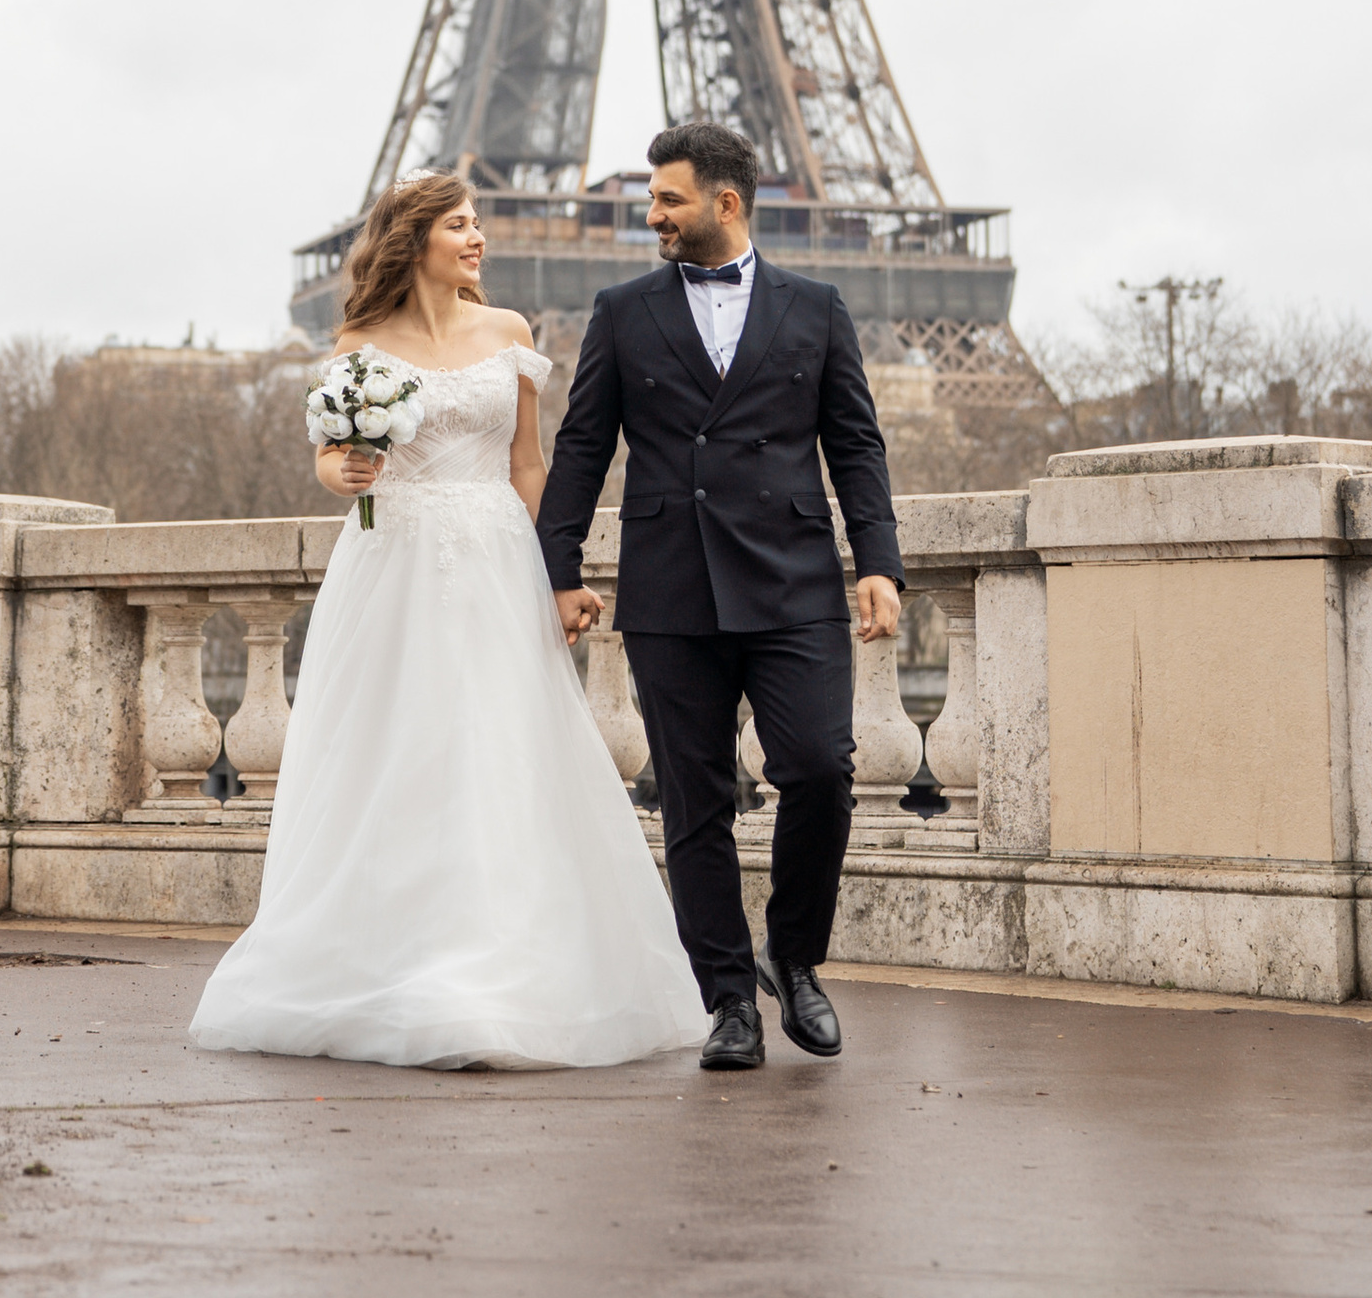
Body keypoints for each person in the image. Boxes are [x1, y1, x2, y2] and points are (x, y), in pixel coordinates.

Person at [188, 170, 705, 1071]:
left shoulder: (509, 333)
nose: (478, 240)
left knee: (501, 752)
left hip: (498, 561)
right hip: (393, 568)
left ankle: (503, 967)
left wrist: (558, 574)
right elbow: (333, 454)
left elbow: (530, 466)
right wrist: (337, 475)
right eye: (461, 226)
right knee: (399, 755)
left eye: (477, 225)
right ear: (414, 237)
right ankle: (399, 959)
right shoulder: (358, 340)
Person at [536, 119, 904, 1071]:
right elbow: (582, 448)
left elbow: (854, 444)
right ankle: (729, 998)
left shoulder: (818, 308)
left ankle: (797, 953)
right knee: (694, 801)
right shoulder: (623, 311)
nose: (650, 215)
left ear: (725, 203)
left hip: (792, 580)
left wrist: (878, 559)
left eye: (667, 199)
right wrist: (560, 570)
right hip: (672, 585)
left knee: (820, 767)